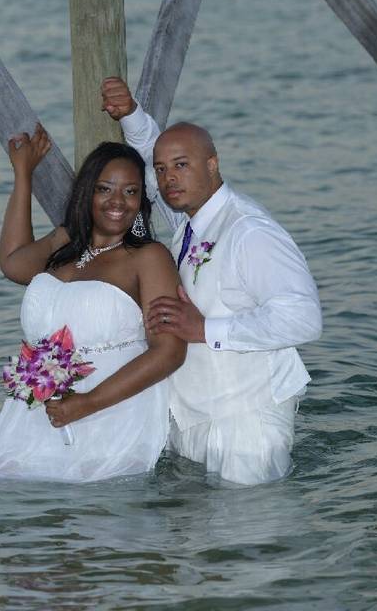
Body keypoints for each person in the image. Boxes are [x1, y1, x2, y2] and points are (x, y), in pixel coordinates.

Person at [101, 77, 323, 486]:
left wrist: (204, 329)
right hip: (194, 414)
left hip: (246, 420)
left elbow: (303, 318)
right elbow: (155, 154)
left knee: (252, 536)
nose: (168, 178)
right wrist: (131, 116)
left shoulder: (249, 231)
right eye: (163, 170)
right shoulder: (189, 219)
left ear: (212, 164)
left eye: (181, 166)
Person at [0, 125, 186, 482]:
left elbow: (170, 351)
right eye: (105, 189)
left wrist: (87, 404)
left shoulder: (148, 257)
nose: (118, 201)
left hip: (111, 411)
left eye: (130, 192)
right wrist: (23, 174)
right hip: (41, 408)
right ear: (87, 192)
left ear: (142, 200)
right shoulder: (65, 243)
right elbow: (12, 263)